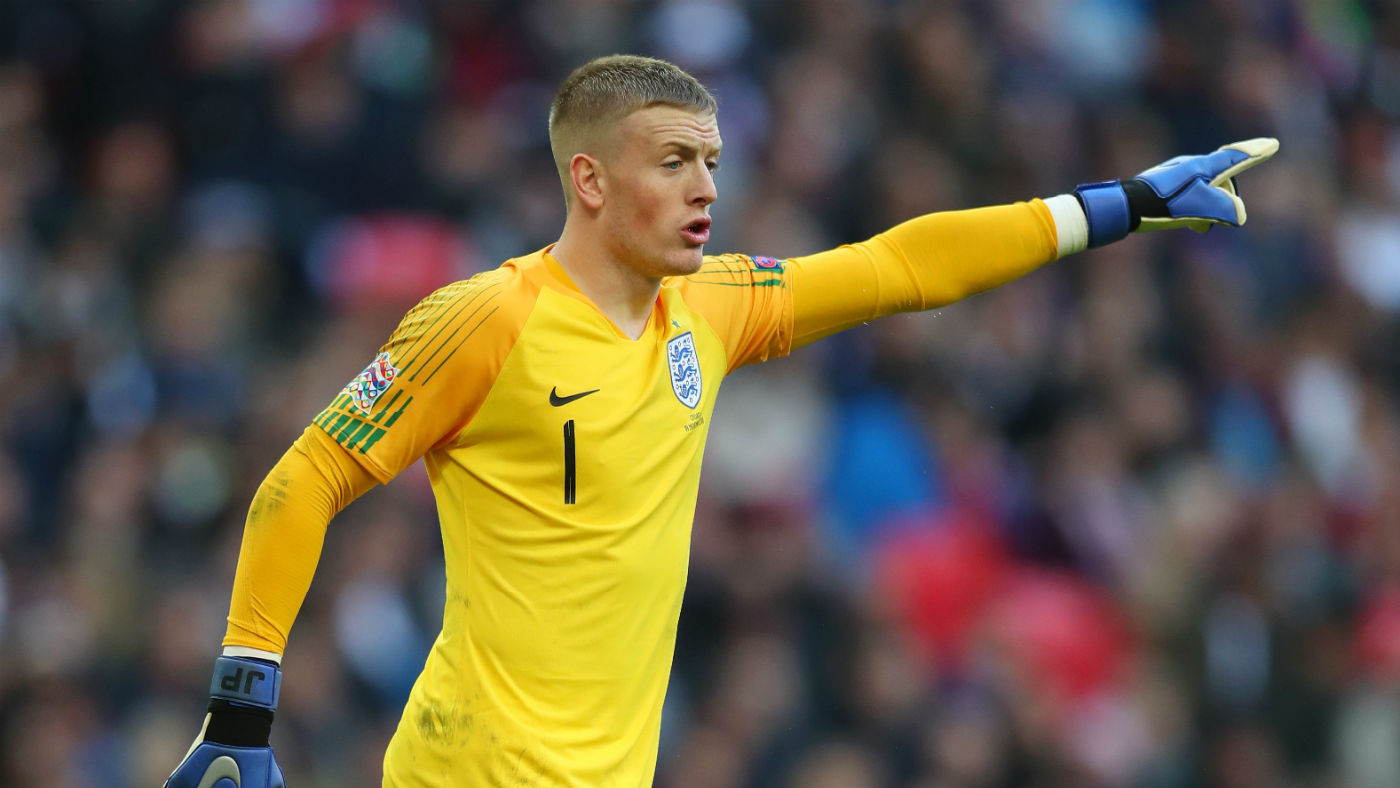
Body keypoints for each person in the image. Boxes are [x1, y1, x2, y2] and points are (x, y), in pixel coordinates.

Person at [164, 54, 1277, 788]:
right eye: (672, 161)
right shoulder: (483, 320)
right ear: (589, 179)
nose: (704, 186)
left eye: (710, 161)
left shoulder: (715, 308)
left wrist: (1115, 203)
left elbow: (896, 265)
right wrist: (241, 708)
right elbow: (301, 478)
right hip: (473, 767)